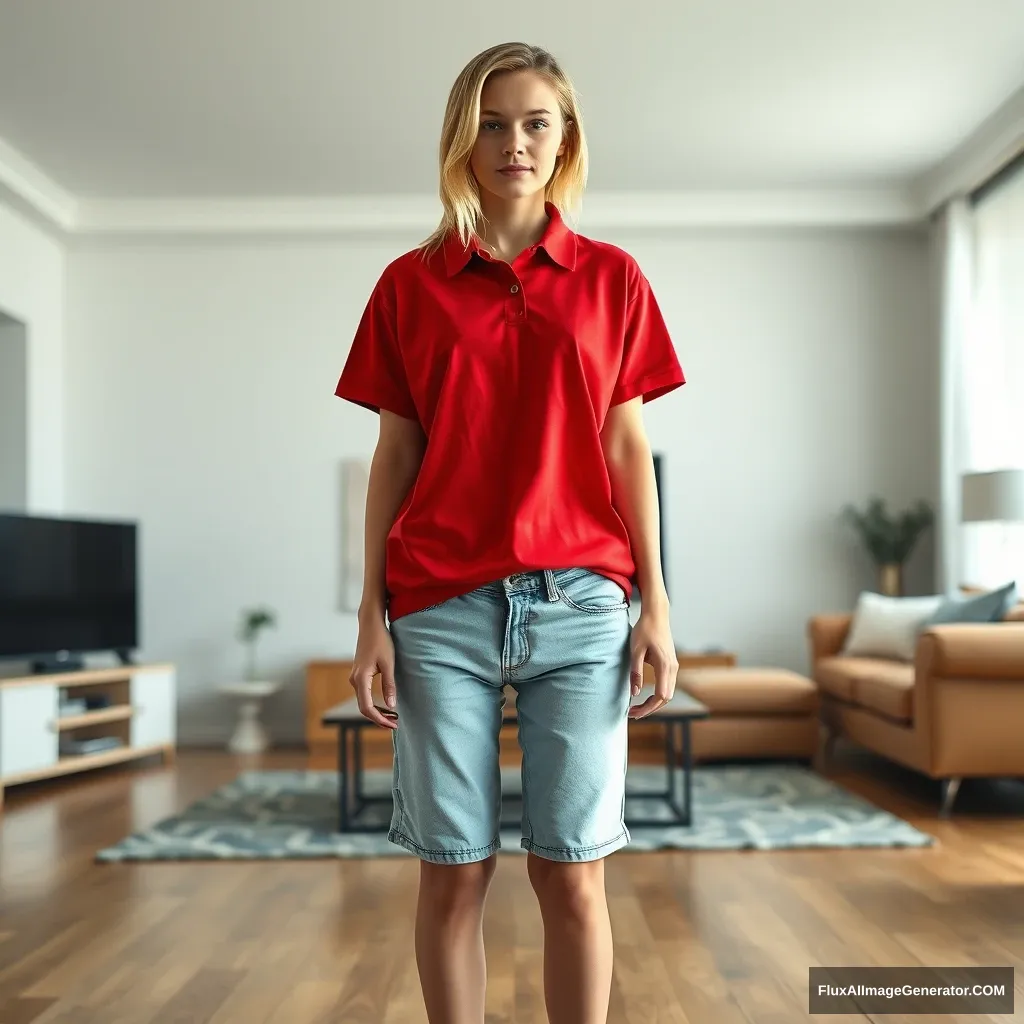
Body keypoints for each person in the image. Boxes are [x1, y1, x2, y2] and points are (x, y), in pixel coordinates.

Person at [334, 40, 685, 1024]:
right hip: (440, 606)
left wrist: (655, 600)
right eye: (491, 122)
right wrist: (372, 613)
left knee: (571, 873)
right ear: (462, 136)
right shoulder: (409, 284)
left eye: (535, 122)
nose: (513, 142)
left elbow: (626, 448)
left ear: (563, 137)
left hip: (581, 603)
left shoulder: (613, 278)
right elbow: (392, 457)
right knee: (452, 871)